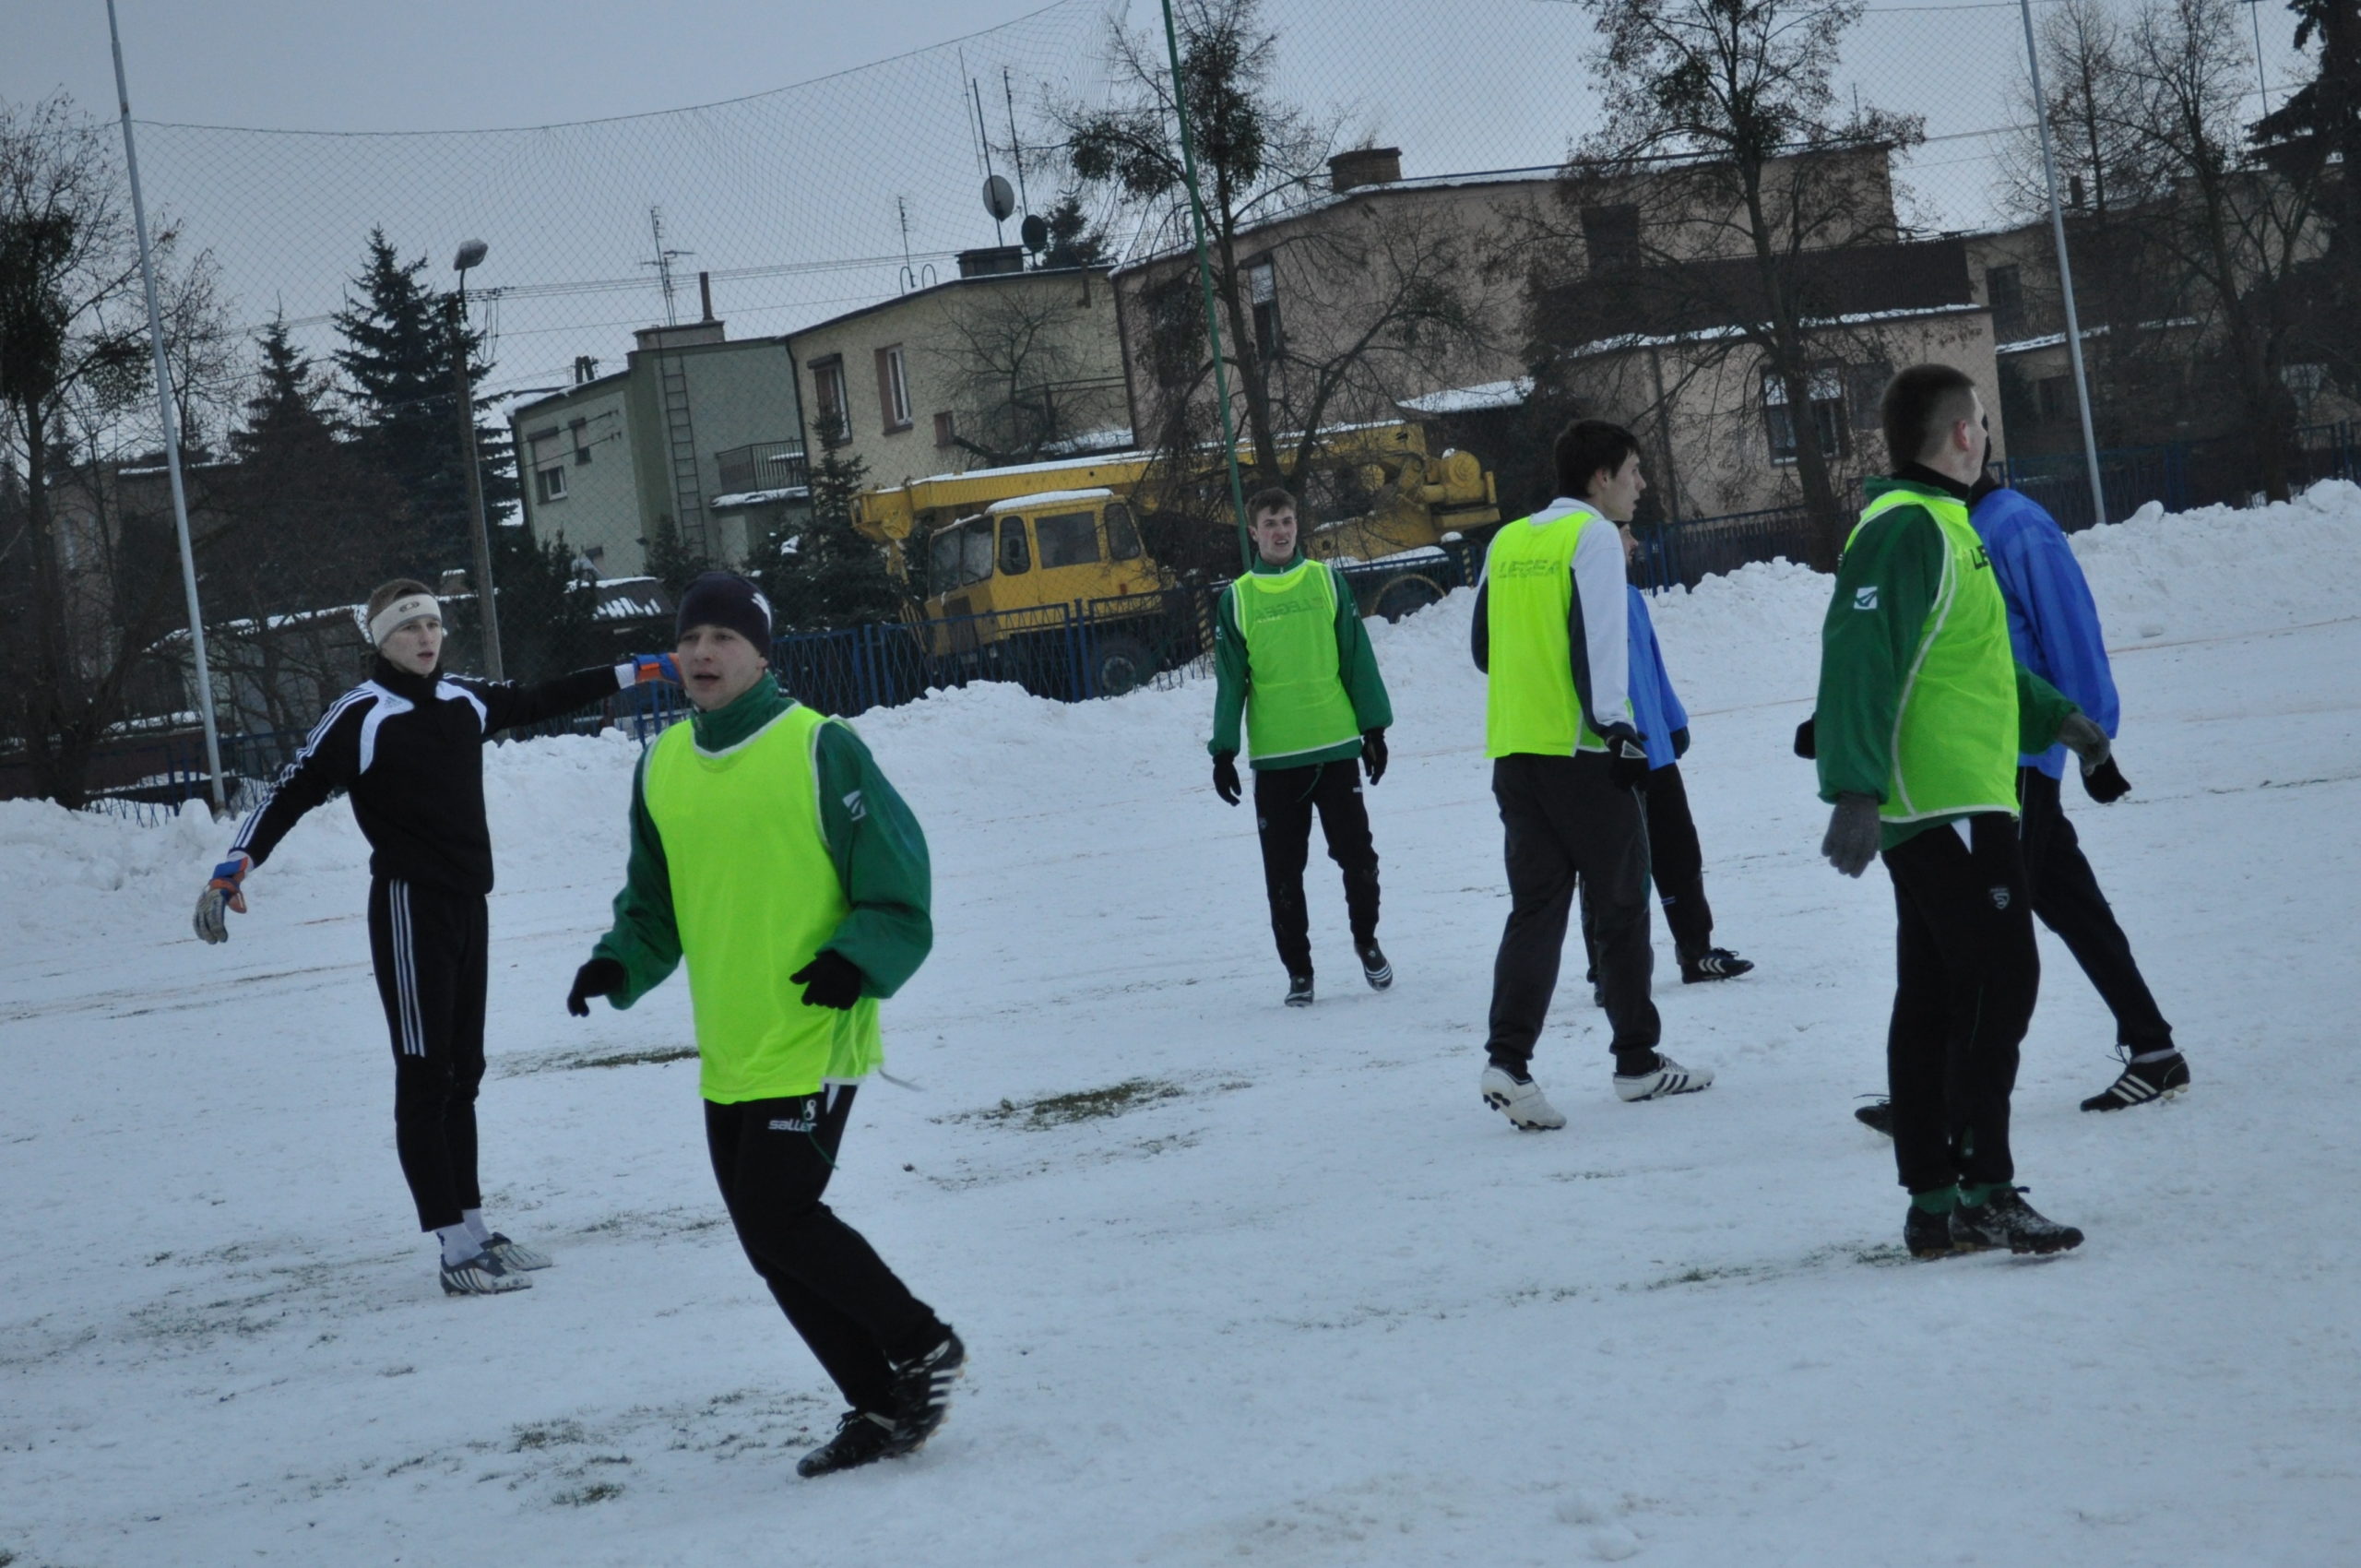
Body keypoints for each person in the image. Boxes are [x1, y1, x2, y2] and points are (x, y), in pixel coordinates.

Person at [564, 571, 962, 1479]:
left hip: (816, 1033)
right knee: (765, 1237)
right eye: (690, 638)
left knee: (782, 1217)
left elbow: (899, 881)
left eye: (723, 638)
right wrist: (618, 961)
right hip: (732, 1043)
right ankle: (880, 1401)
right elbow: (652, 904)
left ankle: (922, 1343)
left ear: (760, 654)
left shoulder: (820, 746)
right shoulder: (662, 764)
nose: (702, 653)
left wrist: (857, 958)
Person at [193, 578, 678, 1296]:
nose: (424, 638)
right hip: (408, 906)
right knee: (425, 1073)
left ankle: (475, 1228)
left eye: (431, 624)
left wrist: (632, 671)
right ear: (380, 641)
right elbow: (292, 788)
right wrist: (235, 866)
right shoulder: (363, 714)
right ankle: (452, 1250)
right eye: (407, 628)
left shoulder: (463, 699)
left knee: (464, 1071)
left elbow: (539, 698)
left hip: (467, 905)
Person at [1813, 364, 2120, 1259]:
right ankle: (1985, 1189)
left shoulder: (1949, 525)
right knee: (2001, 979)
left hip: (1964, 797)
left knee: (1935, 995)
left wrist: (2057, 716)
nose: (1986, 433)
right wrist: (1854, 787)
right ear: (1959, 433)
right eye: (1980, 419)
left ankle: (1934, 1203)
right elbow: (1858, 653)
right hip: (1939, 802)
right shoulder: (1904, 527)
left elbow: (1975, 660)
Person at [1472, 420, 1714, 1132]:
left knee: (1535, 911)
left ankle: (1508, 1061)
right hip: (1584, 754)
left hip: (1516, 753)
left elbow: (1483, 648)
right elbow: (1602, 640)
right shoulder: (1595, 538)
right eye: (1633, 470)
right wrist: (1616, 727)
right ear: (1601, 477)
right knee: (1621, 905)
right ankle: (1637, 1062)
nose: (1641, 485)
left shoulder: (1508, 539)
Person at [1974, 472, 2185, 1110]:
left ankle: (1947, 1094)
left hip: (2017, 755)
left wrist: (2094, 738)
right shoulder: (1955, 524)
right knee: (2072, 905)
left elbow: (2069, 628)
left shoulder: (2015, 523)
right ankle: (2155, 1051)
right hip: (1980, 754)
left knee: (1980, 924)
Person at [1208, 487, 1394, 1007]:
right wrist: (1223, 751)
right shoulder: (1237, 598)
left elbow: (1356, 657)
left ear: (1298, 525)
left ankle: (1366, 940)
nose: (1281, 531)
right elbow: (1231, 681)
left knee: (1360, 860)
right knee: (1284, 876)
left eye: (1287, 521)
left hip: (1336, 749)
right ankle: (1300, 972)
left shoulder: (1326, 582)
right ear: (1253, 532)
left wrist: (1374, 730)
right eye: (1270, 523)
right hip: (1277, 759)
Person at [1578, 522, 1754, 995]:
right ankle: (1606, 969)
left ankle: (1697, 952)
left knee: (1680, 851)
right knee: (1612, 869)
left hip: (1654, 751)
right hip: (1611, 757)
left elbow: (1653, 665)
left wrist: (1672, 720)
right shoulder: (1581, 604)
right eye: (1625, 533)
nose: (1634, 543)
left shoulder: (1631, 599)